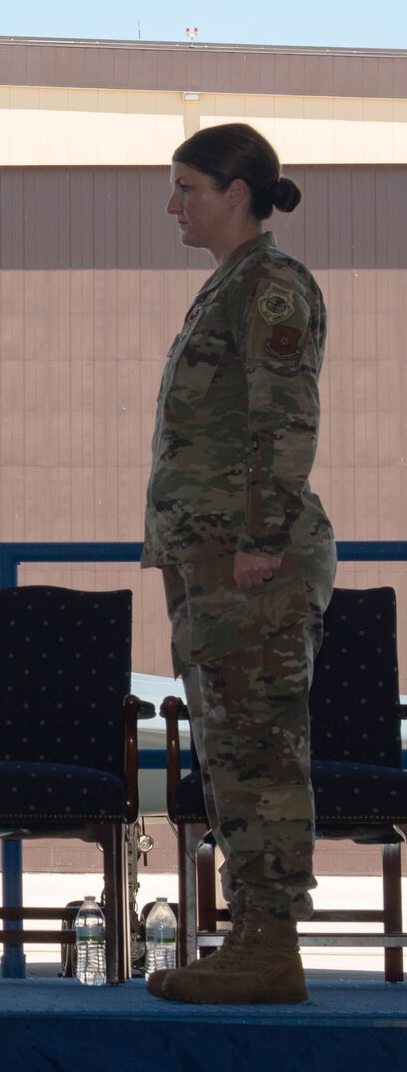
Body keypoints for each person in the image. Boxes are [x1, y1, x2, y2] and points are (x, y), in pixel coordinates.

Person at [143, 122, 331, 1006]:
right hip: (213, 564)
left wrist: (257, 540)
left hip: (253, 564)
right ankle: (254, 935)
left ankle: (270, 942)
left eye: (188, 187)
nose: (174, 205)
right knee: (230, 749)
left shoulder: (271, 290)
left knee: (259, 749)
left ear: (237, 193)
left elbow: (284, 421)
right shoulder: (231, 286)